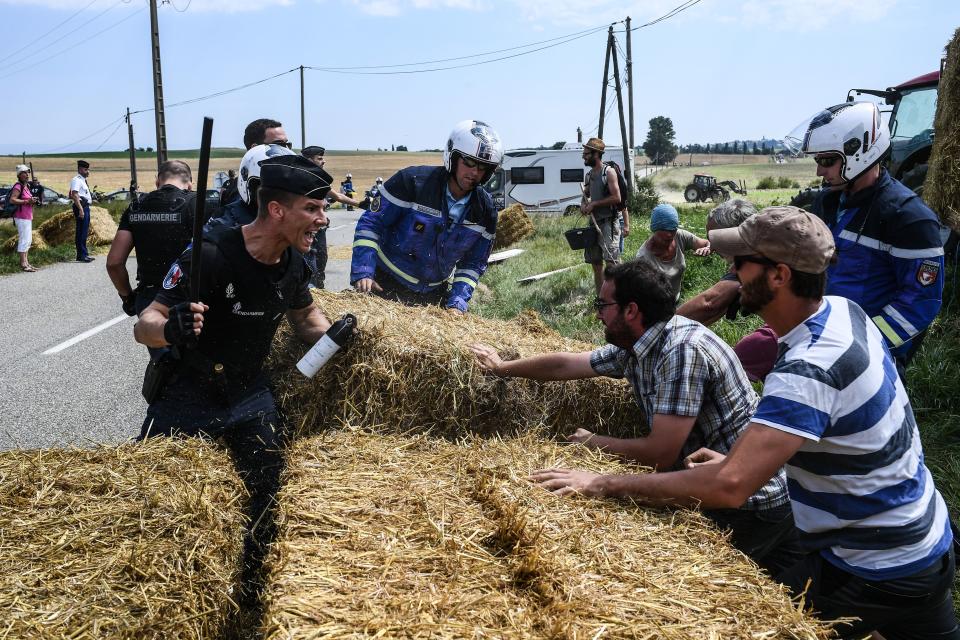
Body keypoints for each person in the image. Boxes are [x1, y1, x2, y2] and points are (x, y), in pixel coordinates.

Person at [531, 206, 958, 639]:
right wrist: (740, 457)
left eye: (741, 262)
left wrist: (603, 482)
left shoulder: (807, 370)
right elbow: (838, 434)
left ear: (779, 276)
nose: (729, 270)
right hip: (926, 540)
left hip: (872, 566)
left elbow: (729, 488)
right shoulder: (846, 313)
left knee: (744, 623)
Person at [469, 258, 801, 574]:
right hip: (705, 483)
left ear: (631, 310)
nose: (597, 315)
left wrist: (594, 443)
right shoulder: (638, 343)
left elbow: (661, 453)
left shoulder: (681, 352)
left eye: (602, 306)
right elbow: (566, 364)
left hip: (744, 504)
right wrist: (502, 368)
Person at [133, 154, 337, 602]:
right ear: (278, 210)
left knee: (269, 491)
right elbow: (144, 323)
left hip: (249, 394)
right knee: (160, 500)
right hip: (188, 393)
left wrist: (340, 334)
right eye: (313, 209)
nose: (323, 219)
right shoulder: (210, 254)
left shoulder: (293, 264)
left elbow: (306, 319)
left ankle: (251, 590)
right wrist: (171, 329)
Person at [786, 101, 946, 379]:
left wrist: (862, 345)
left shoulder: (909, 218)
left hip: (868, 360)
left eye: (827, 161)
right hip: (819, 338)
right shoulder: (827, 201)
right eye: (817, 161)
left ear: (859, 151)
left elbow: (920, 302)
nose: (819, 172)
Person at [350, 119, 503, 312]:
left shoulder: (486, 211)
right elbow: (370, 226)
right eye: (469, 162)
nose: (474, 172)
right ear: (452, 157)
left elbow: (473, 263)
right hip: (382, 283)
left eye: (482, 168)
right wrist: (364, 271)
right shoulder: (411, 182)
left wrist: (457, 303)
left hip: (432, 297)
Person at [676, 198, 779, 382]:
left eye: (717, 239)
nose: (712, 247)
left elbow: (710, 304)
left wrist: (658, 330)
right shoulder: (758, 253)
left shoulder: (754, 259)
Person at [106, 160, 196, 318]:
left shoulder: (136, 206)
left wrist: (127, 297)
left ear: (157, 182)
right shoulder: (196, 204)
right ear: (189, 183)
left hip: (149, 297)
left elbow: (114, 263)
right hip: (188, 296)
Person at [204, 143, 295, 234]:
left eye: (288, 189)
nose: (281, 197)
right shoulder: (224, 225)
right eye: (272, 188)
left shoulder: (295, 224)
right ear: (251, 189)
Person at [634, 203, 710, 302]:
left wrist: (708, 248)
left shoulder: (680, 236)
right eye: (665, 229)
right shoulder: (643, 258)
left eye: (673, 229)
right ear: (654, 229)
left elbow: (706, 243)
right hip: (656, 305)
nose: (670, 234)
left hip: (675, 299)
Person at [580, 137, 622, 294]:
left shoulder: (608, 173)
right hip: (593, 225)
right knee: (596, 265)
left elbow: (616, 197)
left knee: (612, 264)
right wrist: (583, 206)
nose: (583, 156)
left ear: (596, 154)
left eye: (586, 153)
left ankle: (618, 298)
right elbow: (585, 197)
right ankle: (601, 300)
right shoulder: (589, 176)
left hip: (608, 223)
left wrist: (595, 204)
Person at [9, 164, 39, 272]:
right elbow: (12, 200)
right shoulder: (18, 186)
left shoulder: (27, 186)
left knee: (28, 240)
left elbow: (27, 200)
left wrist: (32, 200)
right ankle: (23, 264)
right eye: (24, 173)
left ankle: (27, 262)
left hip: (27, 216)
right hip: (21, 217)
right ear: (19, 175)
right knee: (24, 240)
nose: (27, 175)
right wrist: (27, 201)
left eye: (27, 173)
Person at [69, 160, 94, 262]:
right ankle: (81, 255)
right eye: (85, 169)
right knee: (81, 232)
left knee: (84, 231)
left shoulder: (83, 180)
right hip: (81, 207)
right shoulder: (77, 179)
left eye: (88, 169)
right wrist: (80, 210)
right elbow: (74, 195)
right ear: (80, 169)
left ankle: (84, 253)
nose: (87, 171)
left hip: (85, 206)